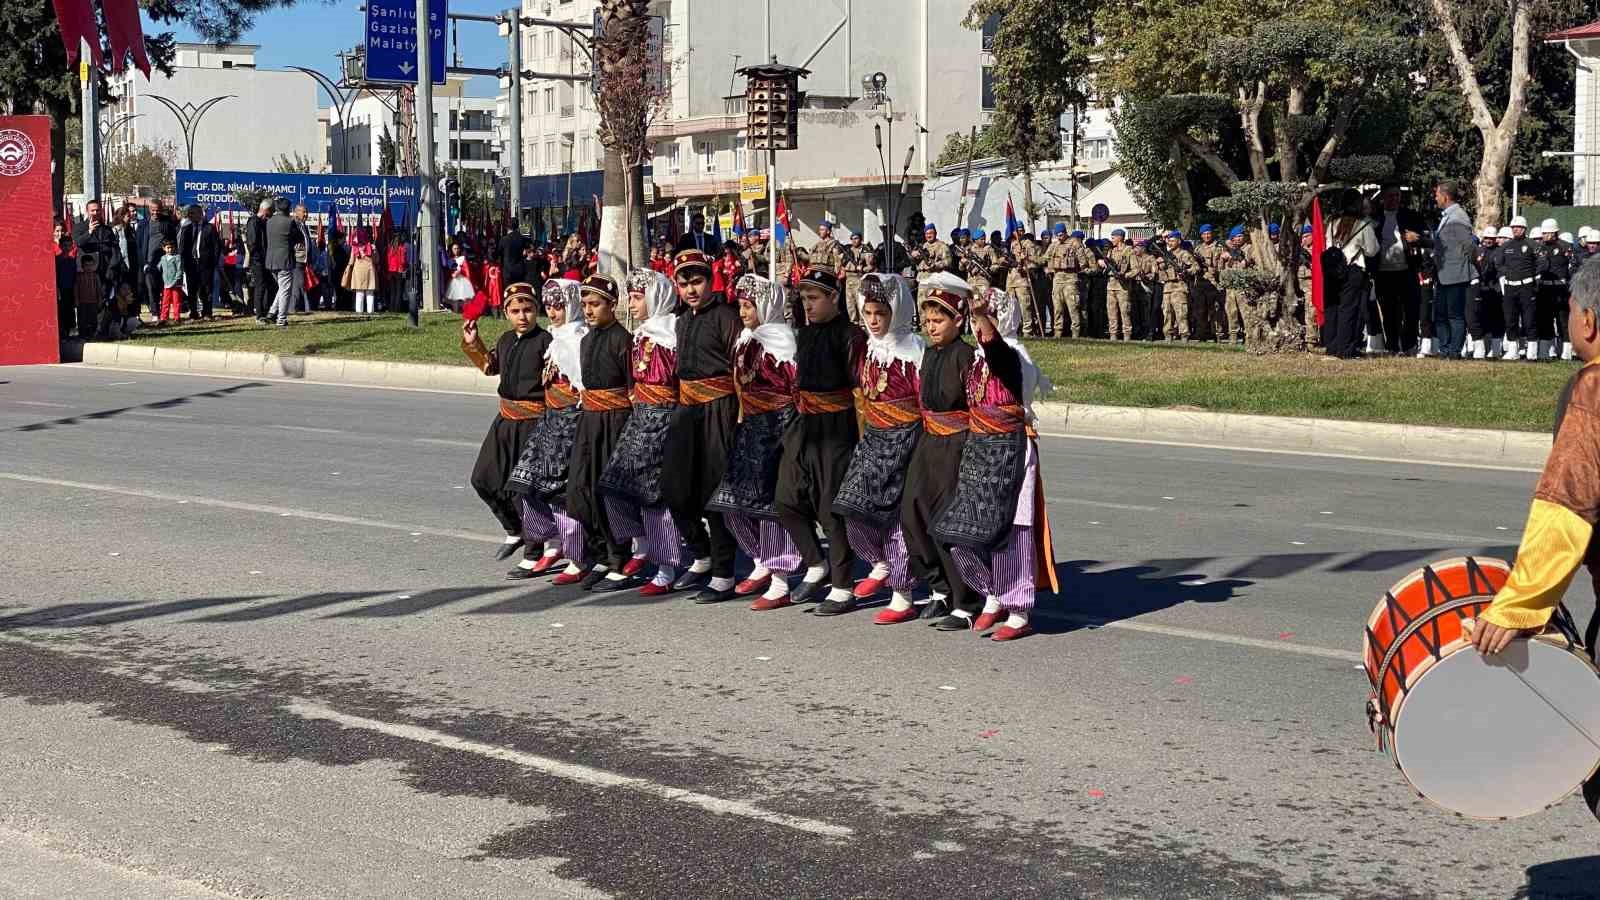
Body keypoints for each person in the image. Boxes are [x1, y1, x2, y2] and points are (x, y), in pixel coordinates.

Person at [758, 267, 867, 613]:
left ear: (834, 297)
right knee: (785, 499)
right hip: (803, 424)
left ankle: (842, 585)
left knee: (829, 507)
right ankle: (815, 563)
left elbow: (859, 390)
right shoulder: (803, 334)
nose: (807, 305)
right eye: (803, 298)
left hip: (836, 427)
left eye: (814, 297)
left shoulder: (851, 336)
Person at [831, 273, 926, 624]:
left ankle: (903, 595)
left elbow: (926, 403)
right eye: (868, 312)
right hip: (873, 439)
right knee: (850, 507)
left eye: (880, 314)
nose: (873, 321)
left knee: (895, 519)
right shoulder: (869, 349)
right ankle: (879, 563)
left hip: (906, 440)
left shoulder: (914, 351)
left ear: (896, 313)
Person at [704, 273, 801, 607]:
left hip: (778, 429)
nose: (743, 312)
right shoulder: (747, 338)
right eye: (742, 305)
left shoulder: (781, 340)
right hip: (750, 427)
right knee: (729, 502)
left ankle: (780, 579)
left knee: (769, 505)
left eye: (749, 305)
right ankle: (761, 559)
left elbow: (792, 388)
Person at [592, 269, 685, 596]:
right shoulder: (643, 334)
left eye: (637, 297)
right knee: (613, 485)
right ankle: (643, 544)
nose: (631, 304)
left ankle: (667, 566)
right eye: (629, 297)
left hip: (663, 421)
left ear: (655, 297)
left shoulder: (671, 336)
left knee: (653, 497)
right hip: (639, 417)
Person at [659, 249, 744, 601]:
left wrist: (739, 416)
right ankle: (701, 553)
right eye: (684, 283)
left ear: (710, 281)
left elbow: (740, 368)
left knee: (714, 492)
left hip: (719, 410)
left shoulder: (726, 316)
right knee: (674, 488)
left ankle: (724, 573)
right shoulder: (682, 320)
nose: (691, 289)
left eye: (697, 281)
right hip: (686, 409)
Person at [899, 272, 982, 630]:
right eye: (928, 321)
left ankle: (967, 600)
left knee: (948, 524)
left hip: (958, 446)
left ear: (958, 320)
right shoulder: (930, 354)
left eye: (939, 320)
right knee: (911, 514)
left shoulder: (967, 356)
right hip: (929, 442)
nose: (931, 328)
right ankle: (939, 588)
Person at [463, 283, 553, 569]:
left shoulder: (546, 341)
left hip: (534, 422)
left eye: (528, 310)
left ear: (537, 311)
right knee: (483, 478)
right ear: (506, 313)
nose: (522, 316)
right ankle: (515, 530)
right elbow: (491, 366)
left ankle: (534, 549)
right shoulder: (505, 339)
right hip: (504, 421)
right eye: (515, 311)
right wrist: (473, 342)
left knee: (523, 489)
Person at [507, 278, 589, 580]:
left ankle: (577, 558)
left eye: (560, 305)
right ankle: (551, 541)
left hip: (572, 421)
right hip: (550, 419)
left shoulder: (579, 338)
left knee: (559, 491)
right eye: (550, 306)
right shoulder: (557, 338)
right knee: (523, 483)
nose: (553, 312)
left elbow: (584, 386)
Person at [1323, 193, 1378, 359]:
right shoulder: (1363, 225)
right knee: (1349, 309)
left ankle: (1331, 346)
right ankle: (1345, 348)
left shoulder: (1332, 223)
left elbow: (1327, 245)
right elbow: (1372, 250)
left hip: (1332, 270)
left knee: (1332, 308)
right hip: (1352, 270)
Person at [1425, 180, 1475, 359]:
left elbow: (1469, 245)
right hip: (1443, 272)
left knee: (1455, 315)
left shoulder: (1458, 217)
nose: (1435, 198)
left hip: (1455, 273)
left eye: (1437, 194)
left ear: (1445, 197)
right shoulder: (1447, 216)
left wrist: (1468, 265)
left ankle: (1454, 351)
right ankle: (1444, 348)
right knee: (1440, 314)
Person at [73, 199, 124, 340]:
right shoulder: (79, 227)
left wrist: (113, 267)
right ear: (87, 211)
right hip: (88, 275)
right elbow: (78, 243)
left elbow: (115, 250)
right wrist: (89, 232)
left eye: (98, 210)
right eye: (92, 210)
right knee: (89, 304)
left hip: (106, 272)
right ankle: (87, 332)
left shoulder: (107, 229)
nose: (95, 213)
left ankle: (104, 331)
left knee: (105, 302)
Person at [1537, 218, 1575, 362]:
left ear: (1554, 233)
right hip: (1544, 287)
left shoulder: (1565, 247)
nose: (1544, 235)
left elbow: (1571, 268)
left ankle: (1566, 352)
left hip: (1560, 288)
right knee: (1545, 320)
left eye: (1547, 233)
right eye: (1544, 233)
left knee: (1562, 321)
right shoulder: (1540, 247)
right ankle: (1547, 351)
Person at [1044, 224, 1091, 338]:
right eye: (1057, 235)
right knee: (1057, 308)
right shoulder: (1054, 245)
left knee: (1073, 307)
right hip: (1057, 279)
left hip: (1071, 278)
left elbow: (1083, 262)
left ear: (1065, 233)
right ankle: (1057, 333)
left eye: (1061, 235)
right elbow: (1044, 258)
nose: (1059, 237)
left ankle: (1076, 333)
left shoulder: (1075, 243)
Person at [1154, 230, 1198, 343]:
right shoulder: (1166, 255)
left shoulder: (1184, 254)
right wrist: (1159, 263)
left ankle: (1184, 335)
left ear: (1179, 241)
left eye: (1173, 241)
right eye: (1169, 241)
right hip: (1167, 287)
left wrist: (1186, 271)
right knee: (1167, 313)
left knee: (1181, 313)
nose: (1170, 243)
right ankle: (1168, 335)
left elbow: (1196, 267)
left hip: (1179, 286)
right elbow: (1160, 270)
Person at [177, 204, 219, 321]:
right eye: (189, 214)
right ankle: (193, 312)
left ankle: (207, 312)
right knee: (192, 290)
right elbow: (182, 248)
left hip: (205, 264)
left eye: (192, 213)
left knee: (206, 289)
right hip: (191, 264)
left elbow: (216, 247)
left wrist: (213, 262)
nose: (189, 216)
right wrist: (183, 263)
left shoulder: (209, 228)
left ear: (200, 214)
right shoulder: (186, 228)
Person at [263, 198, 300, 327]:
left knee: (282, 288)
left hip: (271, 260)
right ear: (289, 208)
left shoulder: (269, 221)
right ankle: (281, 318)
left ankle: (271, 313)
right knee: (285, 290)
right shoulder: (290, 222)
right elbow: (298, 238)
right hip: (284, 259)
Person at [913, 223, 954, 306]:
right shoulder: (923, 246)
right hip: (923, 280)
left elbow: (948, 262)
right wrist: (914, 255)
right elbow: (916, 263)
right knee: (921, 305)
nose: (929, 236)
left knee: (935, 306)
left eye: (931, 233)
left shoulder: (942, 246)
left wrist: (936, 265)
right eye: (927, 234)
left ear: (935, 233)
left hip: (935, 279)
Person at [841, 231, 874, 318]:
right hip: (848, 279)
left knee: (860, 302)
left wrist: (862, 269)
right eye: (852, 239)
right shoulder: (848, 250)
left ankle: (863, 323)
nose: (854, 241)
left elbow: (871, 267)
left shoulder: (865, 251)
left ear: (860, 239)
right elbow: (842, 263)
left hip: (859, 278)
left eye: (856, 238)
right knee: (850, 304)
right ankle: (853, 322)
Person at [54, 222, 77, 339]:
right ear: (61, 246)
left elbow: (75, 276)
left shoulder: (73, 260)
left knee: (69, 310)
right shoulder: (57, 260)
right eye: (65, 245)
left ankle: (68, 332)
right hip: (60, 289)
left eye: (69, 246)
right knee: (61, 311)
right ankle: (62, 332)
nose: (67, 248)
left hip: (70, 289)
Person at [156, 238, 184, 324]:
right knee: (165, 301)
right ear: (163, 248)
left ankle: (177, 318)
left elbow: (179, 270)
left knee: (176, 301)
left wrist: (176, 280)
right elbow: (158, 267)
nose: (170, 249)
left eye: (171, 247)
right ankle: (164, 318)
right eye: (168, 247)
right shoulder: (163, 258)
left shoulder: (177, 257)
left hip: (175, 284)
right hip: (166, 284)